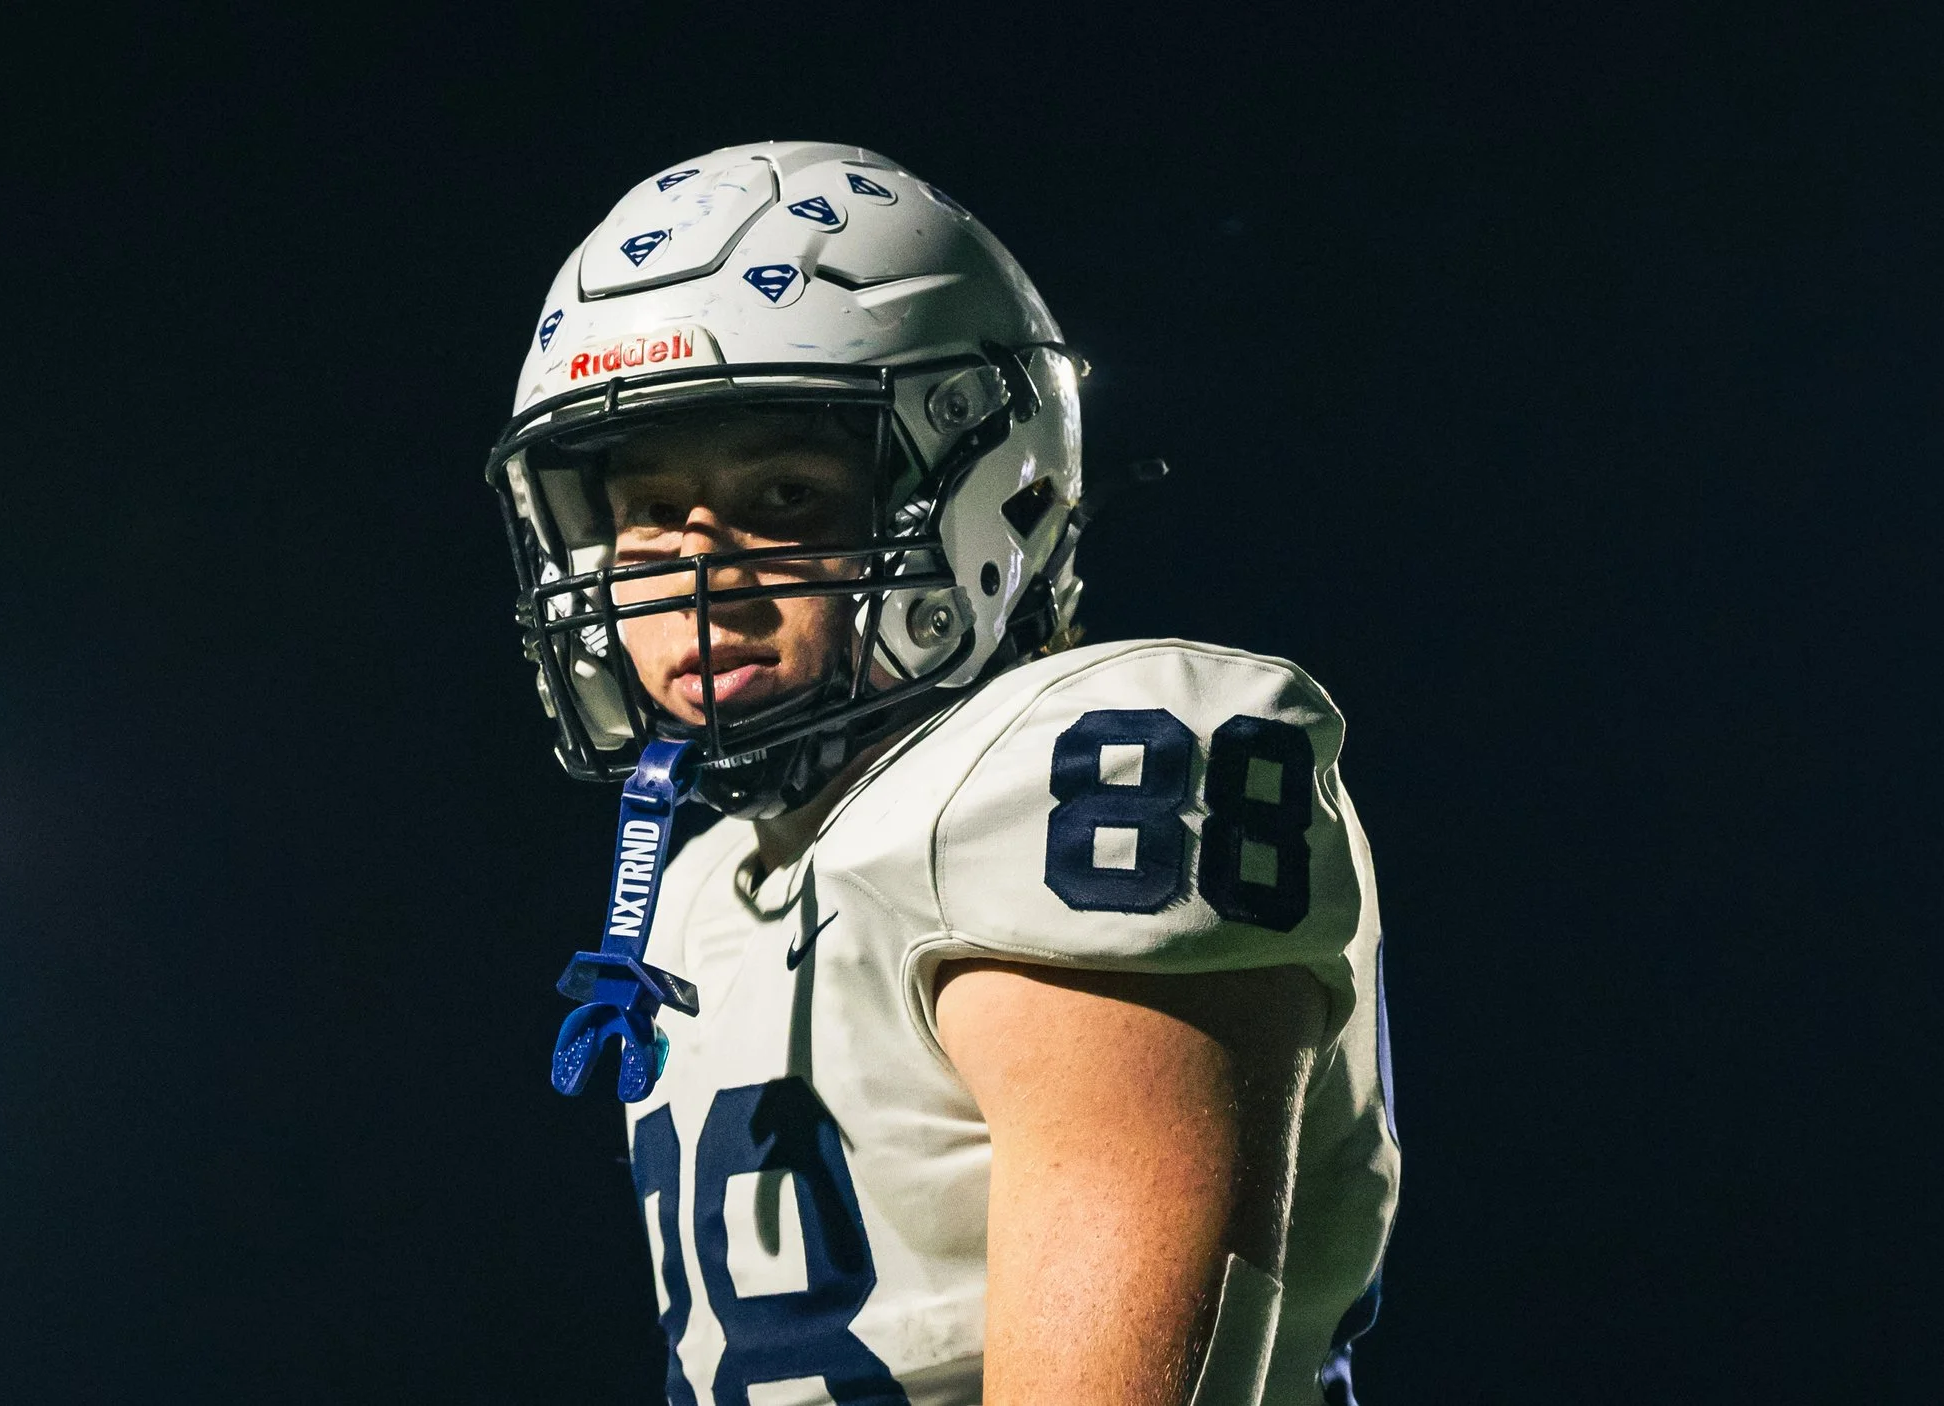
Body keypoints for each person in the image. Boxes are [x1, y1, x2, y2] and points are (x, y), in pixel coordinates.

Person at [482, 142, 1398, 1406]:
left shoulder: (1077, 765)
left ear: (988, 490)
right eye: (648, 515)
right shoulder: (701, 884)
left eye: (785, 495)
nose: (700, 579)